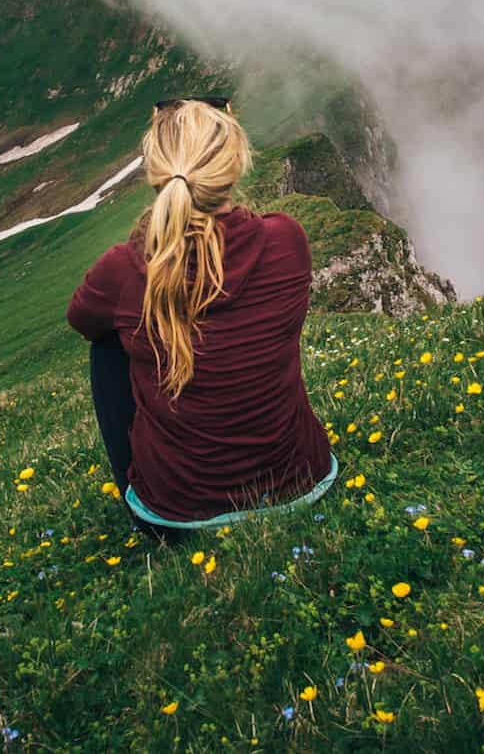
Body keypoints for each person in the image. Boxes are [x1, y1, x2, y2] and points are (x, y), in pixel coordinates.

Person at [66, 96, 338, 542]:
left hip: (178, 515)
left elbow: (81, 318)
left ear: (156, 172)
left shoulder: (122, 268)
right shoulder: (286, 240)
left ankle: (145, 492)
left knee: (107, 344)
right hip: (302, 485)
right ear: (234, 163)